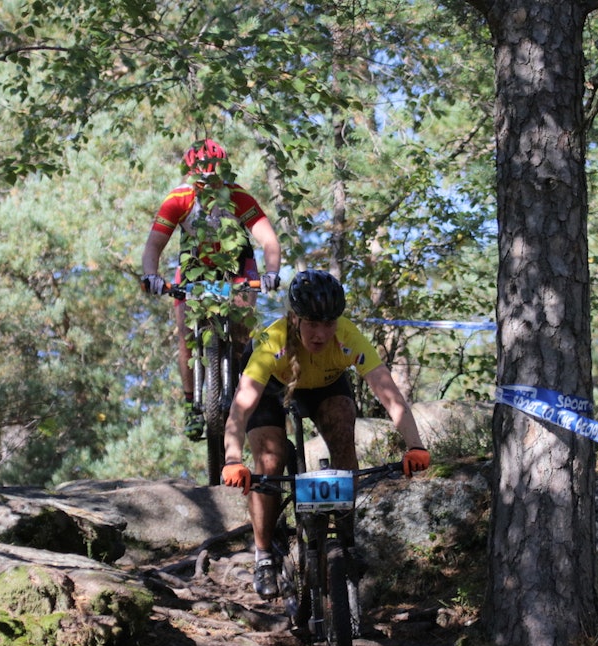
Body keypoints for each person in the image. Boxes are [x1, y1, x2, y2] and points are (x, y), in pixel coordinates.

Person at [220, 269, 431, 598]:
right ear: (294, 318)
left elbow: (390, 397)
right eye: (312, 323)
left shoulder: (348, 337)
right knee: (270, 459)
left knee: (343, 429)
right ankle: (263, 555)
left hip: (325, 384)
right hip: (274, 387)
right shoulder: (270, 342)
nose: (320, 334)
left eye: (328, 323)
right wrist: (233, 459)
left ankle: (345, 534)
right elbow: (241, 408)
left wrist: (415, 446)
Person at [141, 139, 282, 439]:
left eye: (215, 179)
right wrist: (151, 275)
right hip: (194, 271)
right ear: (192, 176)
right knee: (185, 332)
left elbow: (268, 240)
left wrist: (272, 273)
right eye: (202, 181)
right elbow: (153, 246)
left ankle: (245, 382)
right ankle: (192, 403)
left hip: (237, 269)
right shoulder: (178, 199)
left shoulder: (238, 196)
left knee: (244, 324)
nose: (209, 187)